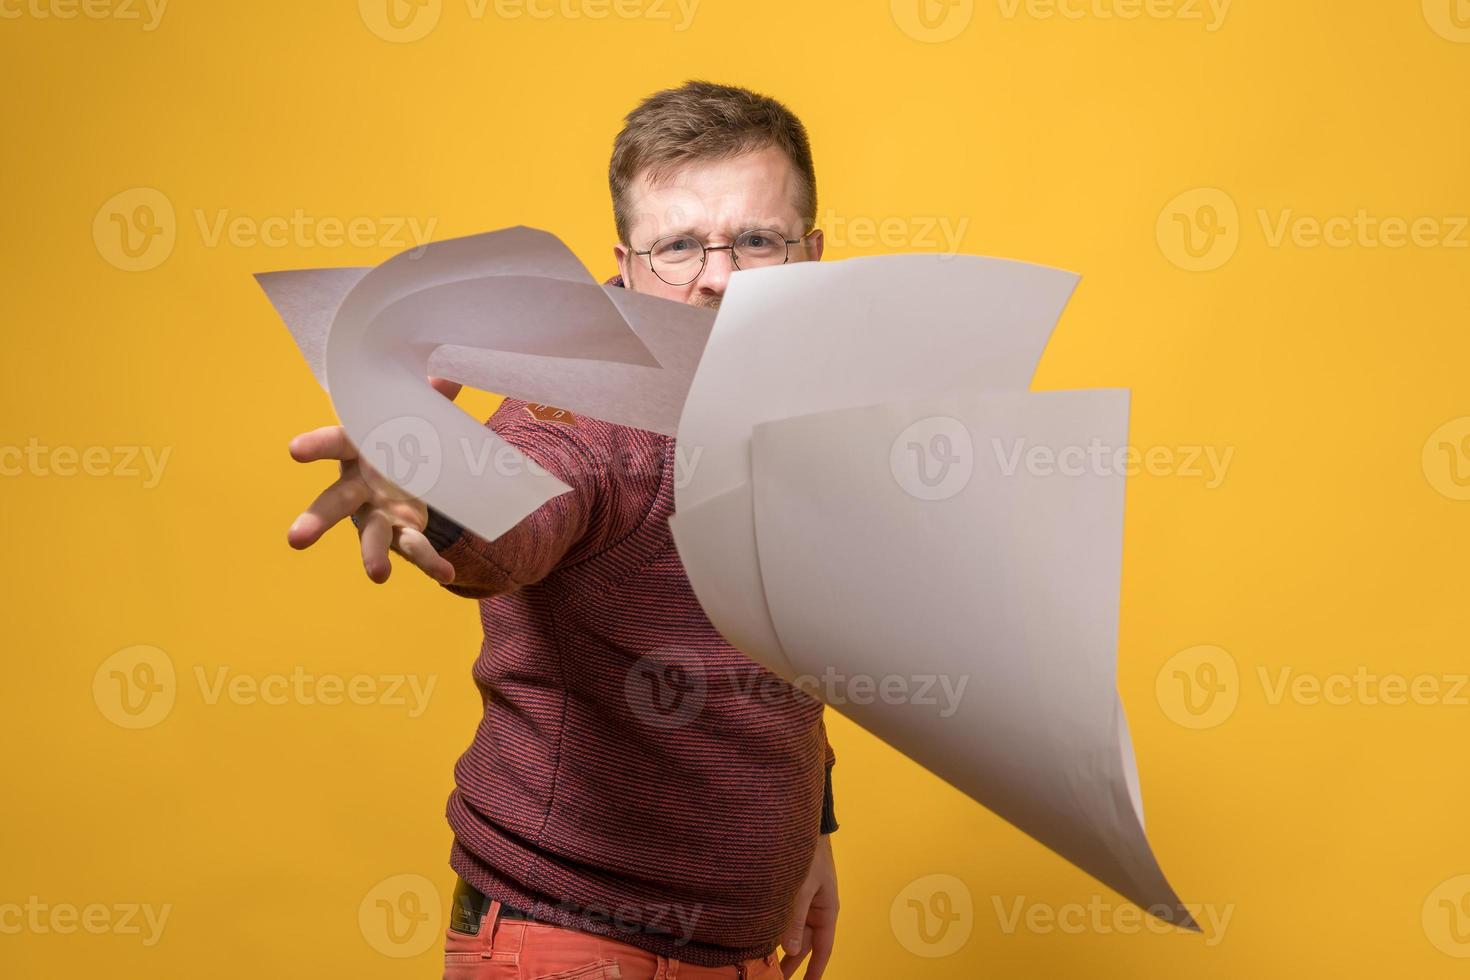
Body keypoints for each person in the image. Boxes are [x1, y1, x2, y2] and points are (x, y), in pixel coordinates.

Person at [286, 81, 838, 980]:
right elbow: (523, 511)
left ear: (812, 254)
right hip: (573, 943)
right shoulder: (584, 399)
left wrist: (811, 829)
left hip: (737, 946)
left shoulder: (796, 408)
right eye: (678, 246)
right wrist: (431, 483)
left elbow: (785, 645)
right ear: (622, 267)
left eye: (758, 241)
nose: (718, 276)